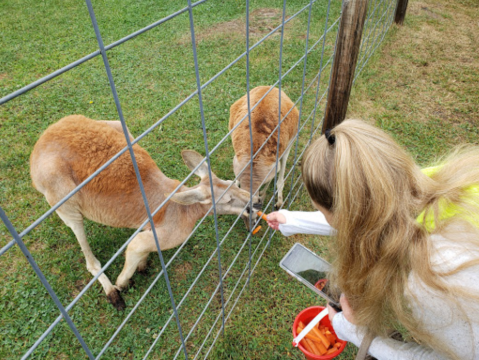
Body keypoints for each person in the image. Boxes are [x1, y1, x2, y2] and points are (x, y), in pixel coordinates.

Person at [267, 119, 479, 360]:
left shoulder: (434, 281)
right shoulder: (425, 184)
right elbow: (367, 215)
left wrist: (354, 333)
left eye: (325, 214)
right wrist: (292, 220)